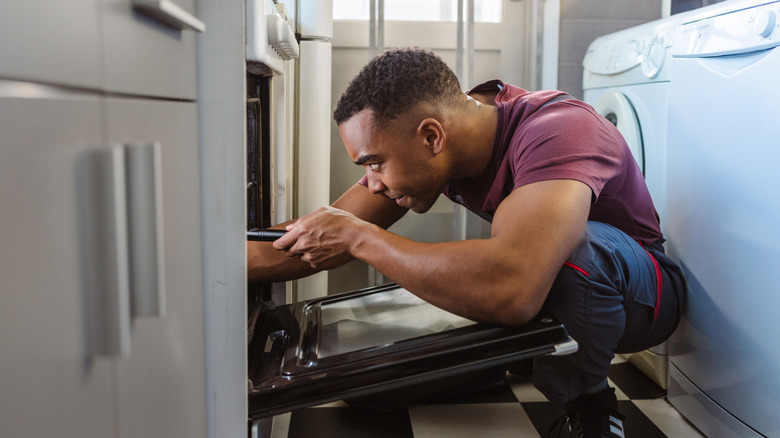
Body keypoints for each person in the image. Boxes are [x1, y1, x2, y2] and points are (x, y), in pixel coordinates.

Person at [247, 47, 686, 438]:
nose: (372, 183)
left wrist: (362, 238)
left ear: (432, 136)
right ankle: (511, 359)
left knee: (572, 250)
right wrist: (200, 259)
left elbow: (512, 287)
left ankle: (587, 403)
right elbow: (313, 235)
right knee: (373, 389)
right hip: (539, 284)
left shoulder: (558, 130)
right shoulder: (448, 137)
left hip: (639, 296)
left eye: (376, 163)